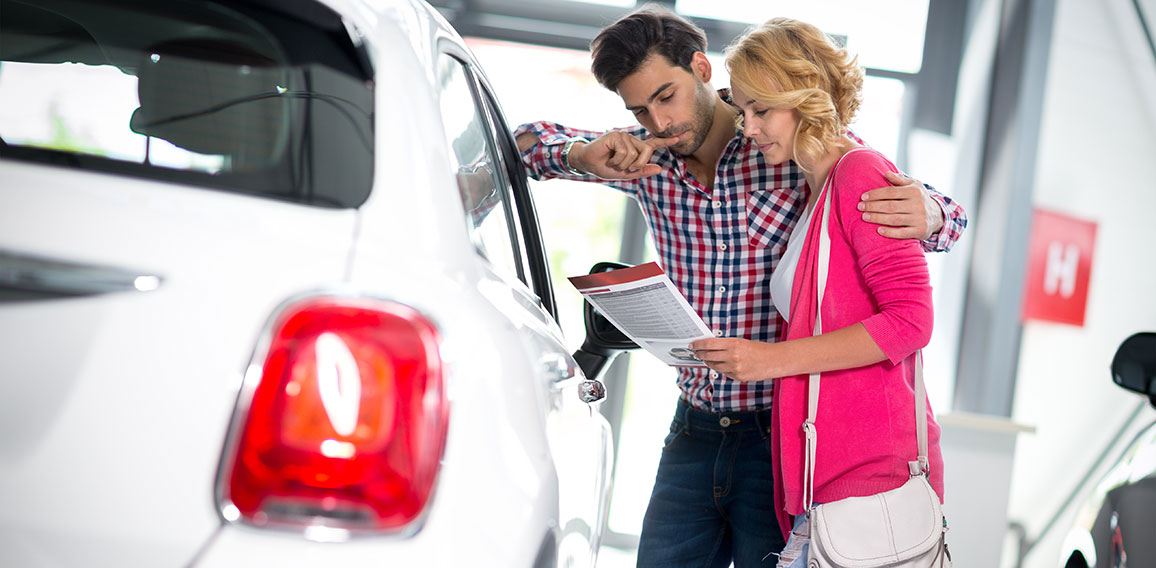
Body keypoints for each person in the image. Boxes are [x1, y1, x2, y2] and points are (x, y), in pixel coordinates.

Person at [514, 5, 965, 567]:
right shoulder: (643, 160)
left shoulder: (791, 141)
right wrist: (582, 156)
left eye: (666, 96)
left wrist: (935, 215)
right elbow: (525, 143)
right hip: (694, 426)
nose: (658, 122)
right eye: (639, 109)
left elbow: (923, 214)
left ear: (702, 68)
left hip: (780, 432)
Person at [689, 17, 946, 567]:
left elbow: (910, 321)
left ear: (805, 98)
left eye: (762, 110)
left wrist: (769, 360)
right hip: (827, 478)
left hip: (867, 478)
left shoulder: (860, 174)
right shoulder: (816, 186)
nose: (747, 127)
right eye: (742, 109)